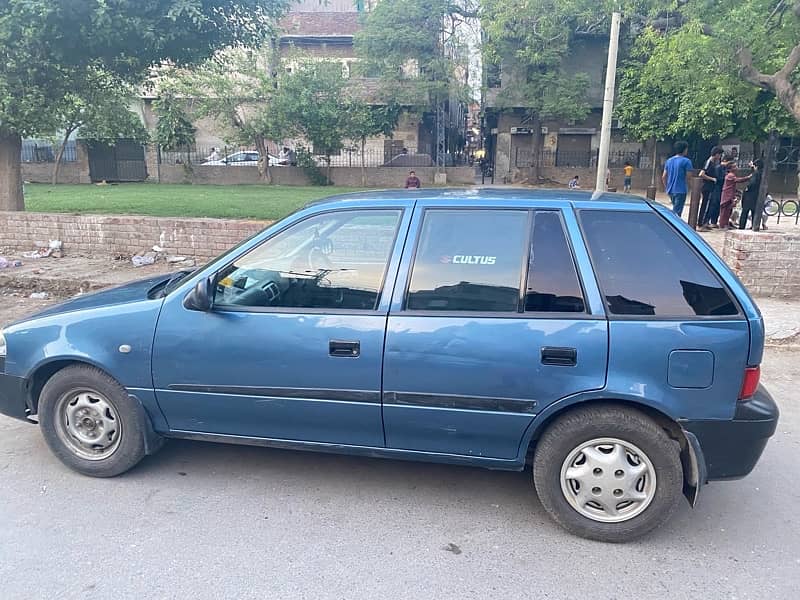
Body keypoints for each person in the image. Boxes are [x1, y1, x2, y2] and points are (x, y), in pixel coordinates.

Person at [662, 140, 693, 217]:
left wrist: (667, 187)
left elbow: (664, 176)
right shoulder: (687, 161)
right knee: (677, 213)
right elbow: (689, 177)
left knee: (675, 209)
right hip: (681, 189)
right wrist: (691, 187)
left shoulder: (669, 161)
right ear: (685, 149)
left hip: (670, 189)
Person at [697, 147, 723, 230]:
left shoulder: (714, 163)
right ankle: (700, 224)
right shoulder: (708, 162)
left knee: (709, 205)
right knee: (705, 205)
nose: (720, 156)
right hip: (707, 187)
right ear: (716, 154)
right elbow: (701, 174)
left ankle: (705, 222)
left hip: (711, 187)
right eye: (720, 154)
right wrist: (712, 179)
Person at [719, 162, 751, 229]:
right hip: (727, 195)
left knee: (729, 211)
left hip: (730, 195)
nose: (736, 168)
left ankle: (726, 224)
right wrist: (748, 177)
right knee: (725, 211)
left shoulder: (731, 175)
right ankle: (722, 225)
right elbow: (738, 180)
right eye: (734, 167)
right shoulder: (730, 175)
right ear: (730, 169)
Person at [739, 159, 764, 230]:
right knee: (754, 212)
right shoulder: (762, 173)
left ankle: (742, 226)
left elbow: (752, 183)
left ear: (757, 166)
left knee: (745, 212)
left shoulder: (756, 174)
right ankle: (754, 225)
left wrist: (747, 187)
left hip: (750, 195)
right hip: (756, 195)